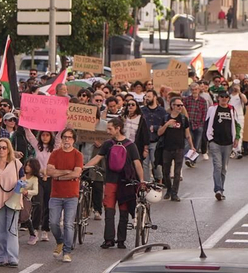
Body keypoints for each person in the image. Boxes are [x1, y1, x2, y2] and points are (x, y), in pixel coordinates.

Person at [87, 117, 144, 249]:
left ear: (118, 128)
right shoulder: (130, 145)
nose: (108, 131)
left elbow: (97, 158)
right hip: (125, 183)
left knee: (110, 211)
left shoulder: (108, 144)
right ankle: (121, 241)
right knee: (120, 212)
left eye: (110, 128)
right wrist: (141, 180)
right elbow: (137, 164)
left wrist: (86, 167)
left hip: (111, 181)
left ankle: (109, 240)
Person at [43, 130, 83, 263]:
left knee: (68, 224)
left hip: (71, 195)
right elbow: (49, 171)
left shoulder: (78, 155)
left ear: (73, 140)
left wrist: (58, 176)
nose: (67, 140)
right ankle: (60, 241)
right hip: (56, 194)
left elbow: (76, 174)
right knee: (53, 222)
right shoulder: (55, 154)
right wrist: (66, 172)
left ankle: (67, 251)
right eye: (64, 137)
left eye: (70, 138)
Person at [0, 140, 23, 266]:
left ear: (9, 150)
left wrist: (22, 187)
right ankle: (1, 257)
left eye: (4, 148)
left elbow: (23, 179)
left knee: (11, 229)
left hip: (13, 200)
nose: (1, 150)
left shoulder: (16, 164)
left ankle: (12, 257)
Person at [157, 99, 194, 202]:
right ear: (172, 106)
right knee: (166, 171)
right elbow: (159, 132)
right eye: (178, 105)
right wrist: (167, 124)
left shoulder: (183, 118)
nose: (180, 107)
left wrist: (192, 146)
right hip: (167, 148)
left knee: (177, 172)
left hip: (179, 148)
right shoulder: (165, 117)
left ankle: (174, 193)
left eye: (181, 105)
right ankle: (168, 189)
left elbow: (187, 134)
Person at [203, 91, 236, 200]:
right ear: (218, 98)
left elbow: (236, 124)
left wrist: (236, 138)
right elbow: (207, 123)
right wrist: (209, 139)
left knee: (223, 168)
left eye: (226, 97)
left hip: (228, 143)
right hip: (215, 142)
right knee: (217, 166)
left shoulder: (231, 109)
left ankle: (221, 190)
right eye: (222, 97)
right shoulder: (212, 109)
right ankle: (217, 189)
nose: (224, 99)